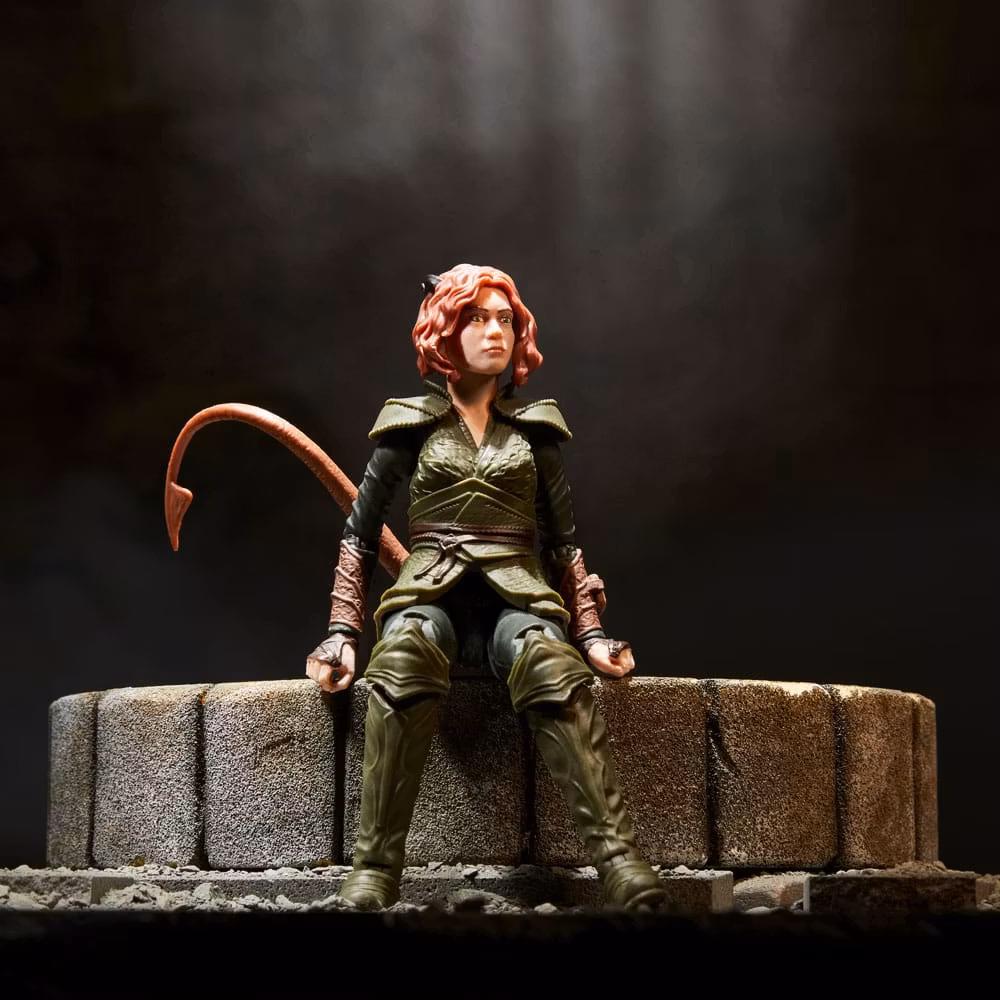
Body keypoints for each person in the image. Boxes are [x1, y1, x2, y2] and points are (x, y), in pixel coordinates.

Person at [306, 263, 666, 911]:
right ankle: (375, 868)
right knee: (403, 654)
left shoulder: (536, 431)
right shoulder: (410, 424)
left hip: (517, 597)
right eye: (476, 318)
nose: (495, 331)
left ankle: (620, 862)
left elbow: (564, 543)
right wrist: (340, 632)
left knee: (549, 662)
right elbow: (359, 535)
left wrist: (590, 633)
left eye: (505, 319)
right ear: (445, 329)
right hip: (429, 594)